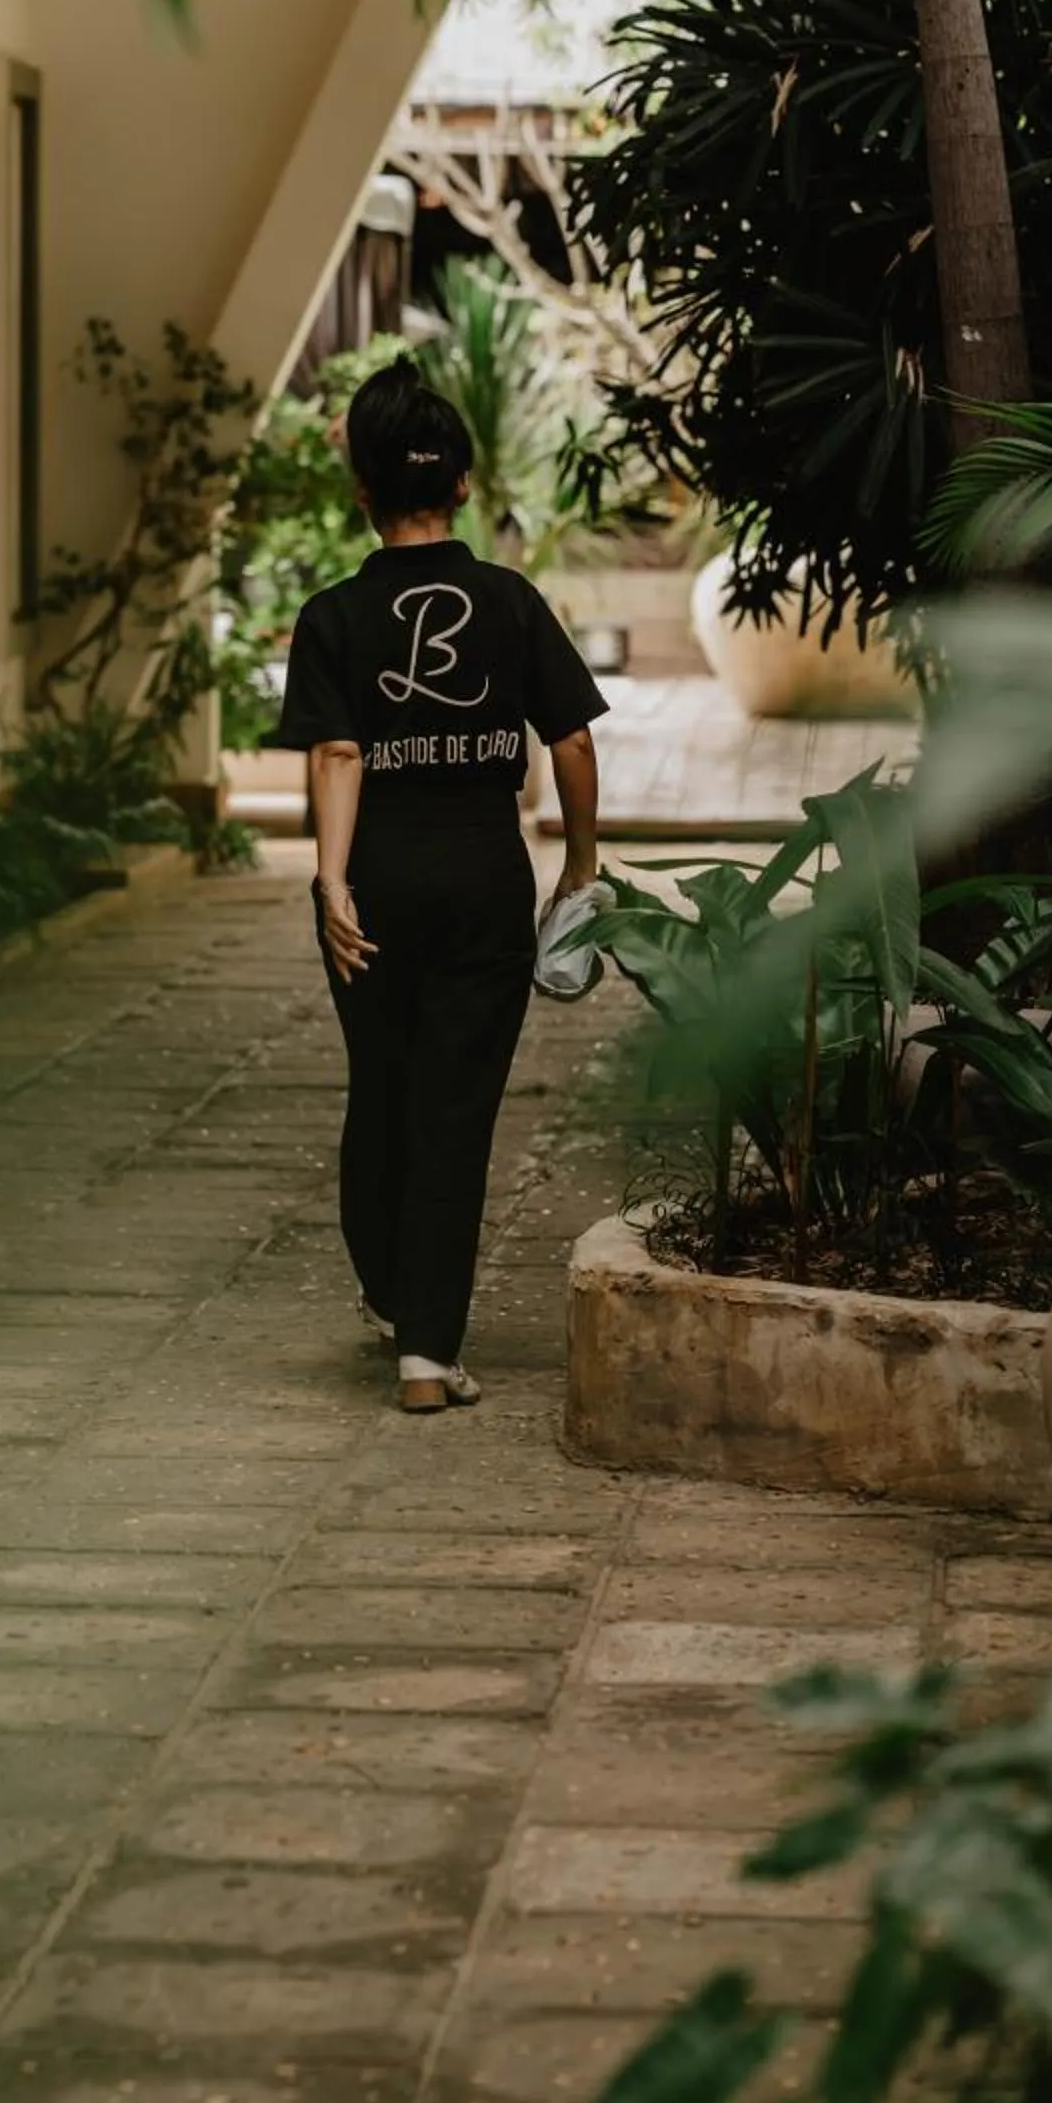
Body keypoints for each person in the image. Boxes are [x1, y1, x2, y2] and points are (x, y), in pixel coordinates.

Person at [277, 357, 606, 1414]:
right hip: (480, 876)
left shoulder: (332, 616)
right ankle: (427, 1350)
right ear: (462, 483)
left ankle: (389, 1287)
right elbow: (570, 741)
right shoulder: (509, 601)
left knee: (381, 1085)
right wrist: (579, 867)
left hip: (376, 876)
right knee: (454, 1107)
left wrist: (332, 884)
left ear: (361, 493)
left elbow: (338, 754)